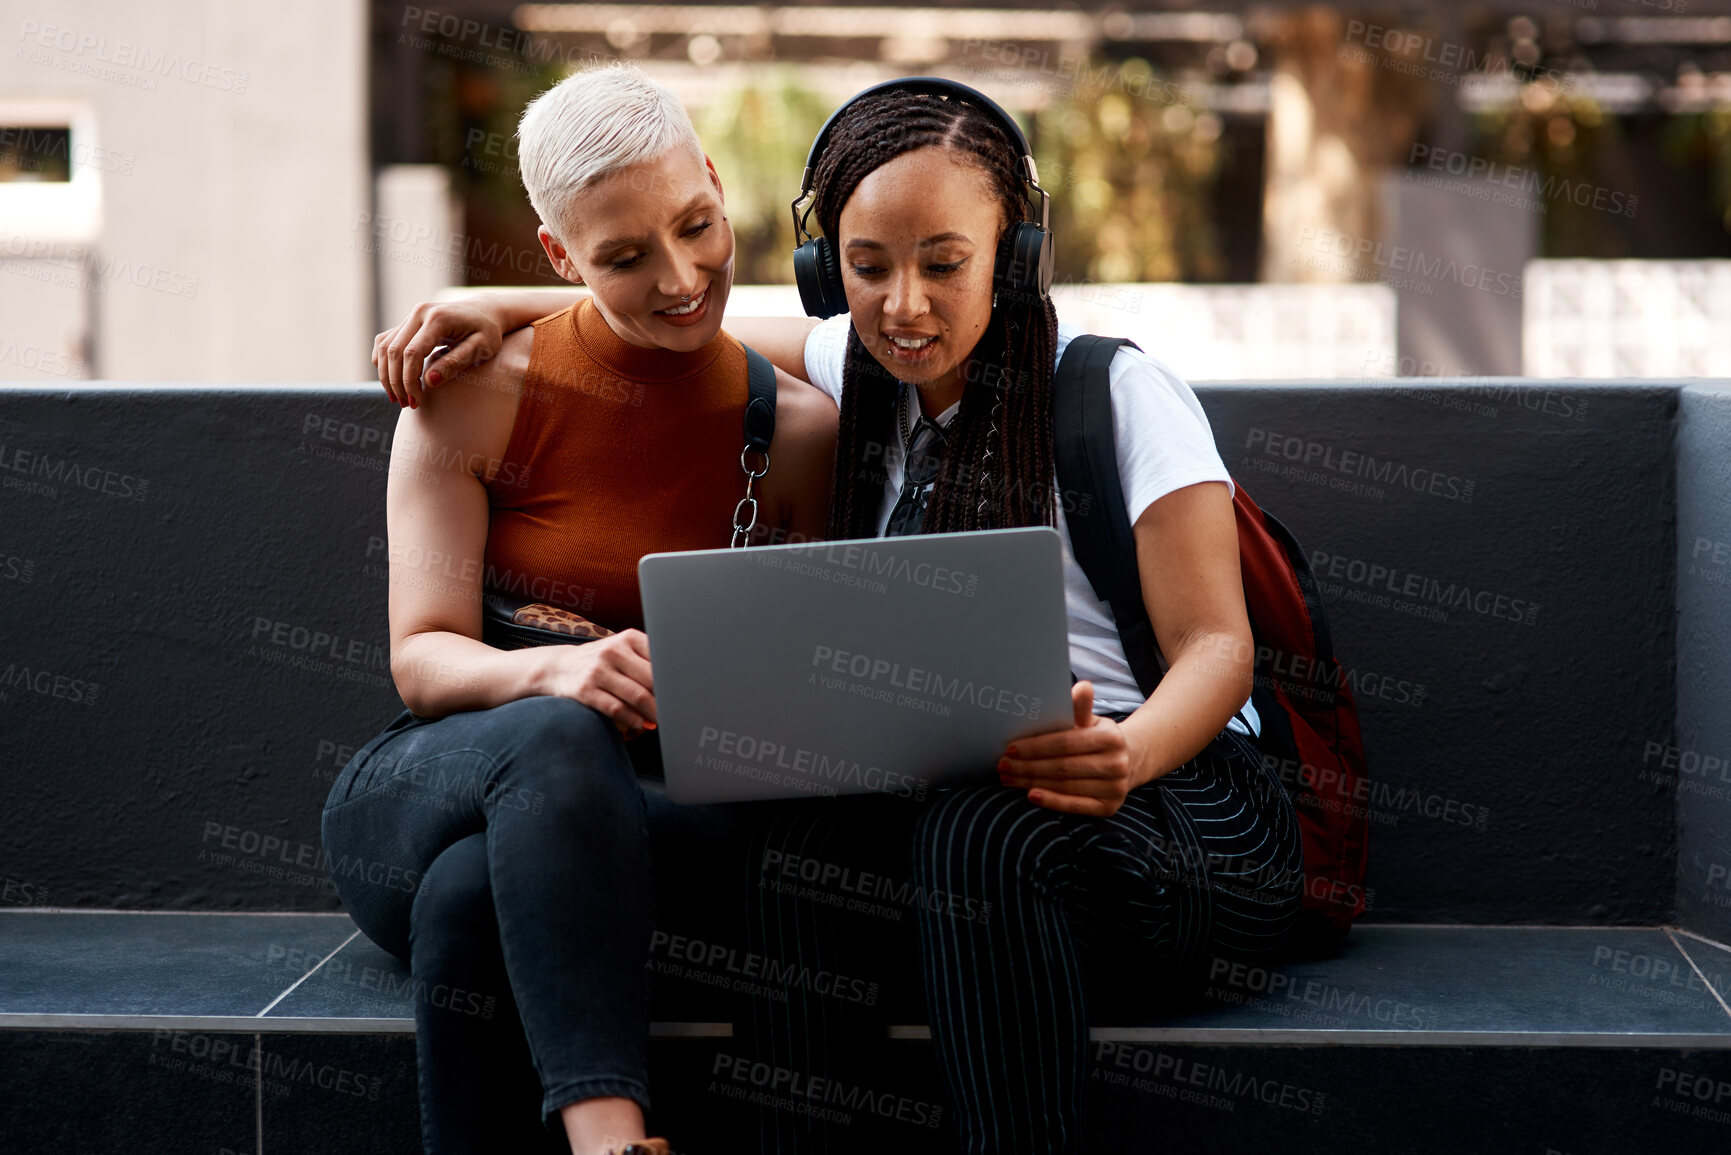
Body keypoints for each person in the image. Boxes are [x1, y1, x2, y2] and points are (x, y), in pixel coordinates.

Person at [383, 79, 1303, 1155]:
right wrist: (493, 308)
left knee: (977, 841)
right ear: (830, 269)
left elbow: (1218, 649)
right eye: (867, 268)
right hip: (992, 801)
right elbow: (669, 314)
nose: (905, 304)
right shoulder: (852, 370)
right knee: (806, 854)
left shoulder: (1112, 393)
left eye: (944, 265)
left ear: (1013, 255)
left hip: (1184, 810)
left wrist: (1128, 755)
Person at [323, 62, 837, 1155]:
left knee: (470, 905)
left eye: (697, 224)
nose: (683, 275)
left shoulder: (792, 429)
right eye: (622, 257)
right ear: (561, 257)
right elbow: (422, 661)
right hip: (433, 786)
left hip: (646, 824)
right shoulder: (473, 394)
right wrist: (549, 671)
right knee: (550, 741)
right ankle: (610, 1139)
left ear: (711, 178)